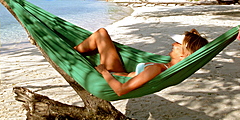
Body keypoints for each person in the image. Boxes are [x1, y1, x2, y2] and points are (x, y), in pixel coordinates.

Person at [74, 28, 208, 96]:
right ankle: (73, 50)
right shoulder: (168, 66)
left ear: (185, 52)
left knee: (101, 34)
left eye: (178, 43)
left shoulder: (156, 68)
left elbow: (120, 90)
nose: (173, 44)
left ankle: (72, 52)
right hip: (119, 73)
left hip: (112, 77)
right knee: (101, 33)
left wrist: (103, 72)